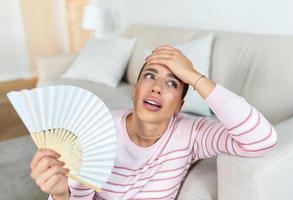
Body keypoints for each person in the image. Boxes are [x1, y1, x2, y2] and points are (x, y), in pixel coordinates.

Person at [30, 45, 278, 200]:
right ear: (135, 91)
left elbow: (261, 140)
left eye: (173, 83)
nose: (157, 87)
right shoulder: (95, 131)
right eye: (150, 76)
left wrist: (194, 76)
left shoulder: (191, 133)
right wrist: (61, 195)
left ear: (179, 106)